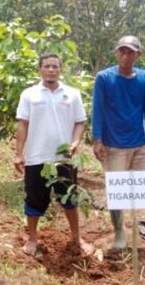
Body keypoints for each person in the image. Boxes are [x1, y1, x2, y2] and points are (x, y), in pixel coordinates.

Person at [14, 53, 94, 257]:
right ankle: (32, 239)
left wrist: (75, 142)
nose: (51, 70)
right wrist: (18, 153)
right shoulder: (29, 94)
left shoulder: (72, 94)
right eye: (47, 66)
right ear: (40, 69)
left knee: (70, 199)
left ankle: (76, 238)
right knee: (34, 201)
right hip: (36, 157)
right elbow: (22, 124)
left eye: (55, 67)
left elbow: (80, 122)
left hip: (64, 159)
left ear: (61, 70)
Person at [92, 35, 145, 250]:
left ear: (138, 55)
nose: (125, 55)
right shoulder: (104, 78)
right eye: (122, 51)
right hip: (113, 144)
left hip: (140, 143)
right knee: (117, 191)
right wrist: (97, 139)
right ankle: (119, 233)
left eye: (130, 52)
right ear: (116, 53)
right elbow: (98, 109)